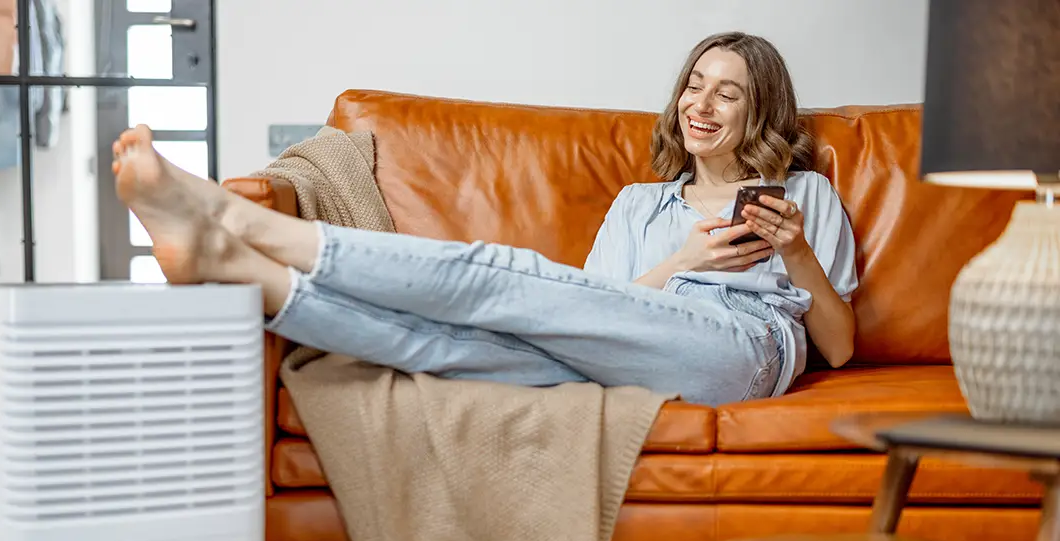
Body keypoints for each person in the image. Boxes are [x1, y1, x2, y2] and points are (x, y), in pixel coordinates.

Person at [112, 31, 857, 407]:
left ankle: (240, 225)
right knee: (444, 347)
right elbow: (595, 304)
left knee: (509, 277)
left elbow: (841, 348)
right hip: (614, 355)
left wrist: (796, 257)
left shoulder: (804, 194)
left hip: (737, 352)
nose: (700, 104)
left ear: (758, 107)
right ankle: (242, 268)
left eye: (726, 93)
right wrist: (681, 262)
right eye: (694, 85)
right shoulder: (640, 204)